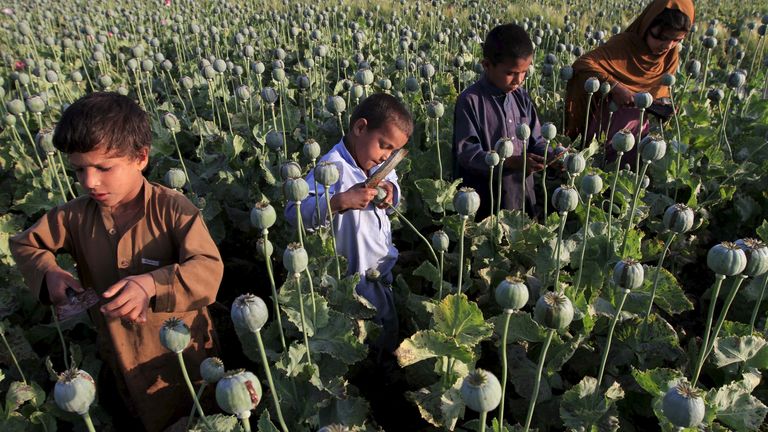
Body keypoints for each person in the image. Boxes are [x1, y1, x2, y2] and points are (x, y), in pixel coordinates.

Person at [10, 92, 223, 431]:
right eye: (80, 170)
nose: (90, 182)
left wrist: (150, 284)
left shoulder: (173, 209)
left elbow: (208, 269)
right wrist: (49, 272)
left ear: (140, 157)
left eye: (103, 168)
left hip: (183, 360)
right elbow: (25, 244)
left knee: (194, 418)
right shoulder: (75, 217)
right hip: (116, 355)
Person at [285, 93, 413, 357]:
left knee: (387, 329)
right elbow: (294, 213)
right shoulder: (330, 169)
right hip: (350, 282)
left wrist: (391, 190)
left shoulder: (380, 163)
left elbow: (395, 181)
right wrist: (338, 201)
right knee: (357, 340)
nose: (386, 158)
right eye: (384, 146)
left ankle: (386, 369)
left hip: (379, 271)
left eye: (393, 152)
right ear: (360, 128)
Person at [565, 0, 695, 165]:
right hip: (605, 124)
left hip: (639, 130)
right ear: (648, 25)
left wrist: (663, 105)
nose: (667, 46)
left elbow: (659, 92)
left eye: (676, 40)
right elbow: (583, 64)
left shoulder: (670, 57)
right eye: (661, 37)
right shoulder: (624, 44)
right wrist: (616, 88)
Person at [453, 23, 555, 220]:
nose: (518, 80)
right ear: (487, 65)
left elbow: (537, 140)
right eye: (511, 73)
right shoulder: (470, 101)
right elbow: (467, 154)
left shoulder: (522, 97)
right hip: (485, 203)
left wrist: (552, 155)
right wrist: (508, 162)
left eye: (524, 72)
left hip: (522, 195)